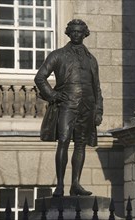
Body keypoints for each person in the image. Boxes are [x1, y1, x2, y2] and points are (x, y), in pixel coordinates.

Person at [34, 19, 103, 197]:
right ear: (68, 33)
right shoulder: (58, 55)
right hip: (67, 105)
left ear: (85, 34)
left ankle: (75, 184)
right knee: (63, 141)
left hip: (87, 106)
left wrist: (99, 110)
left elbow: (97, 87)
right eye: (73, 31)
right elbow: (40, 77)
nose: (76, 34)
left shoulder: (91, 59)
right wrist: (53, 95)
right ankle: (60, 185)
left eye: (79, 31)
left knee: (80, 144)